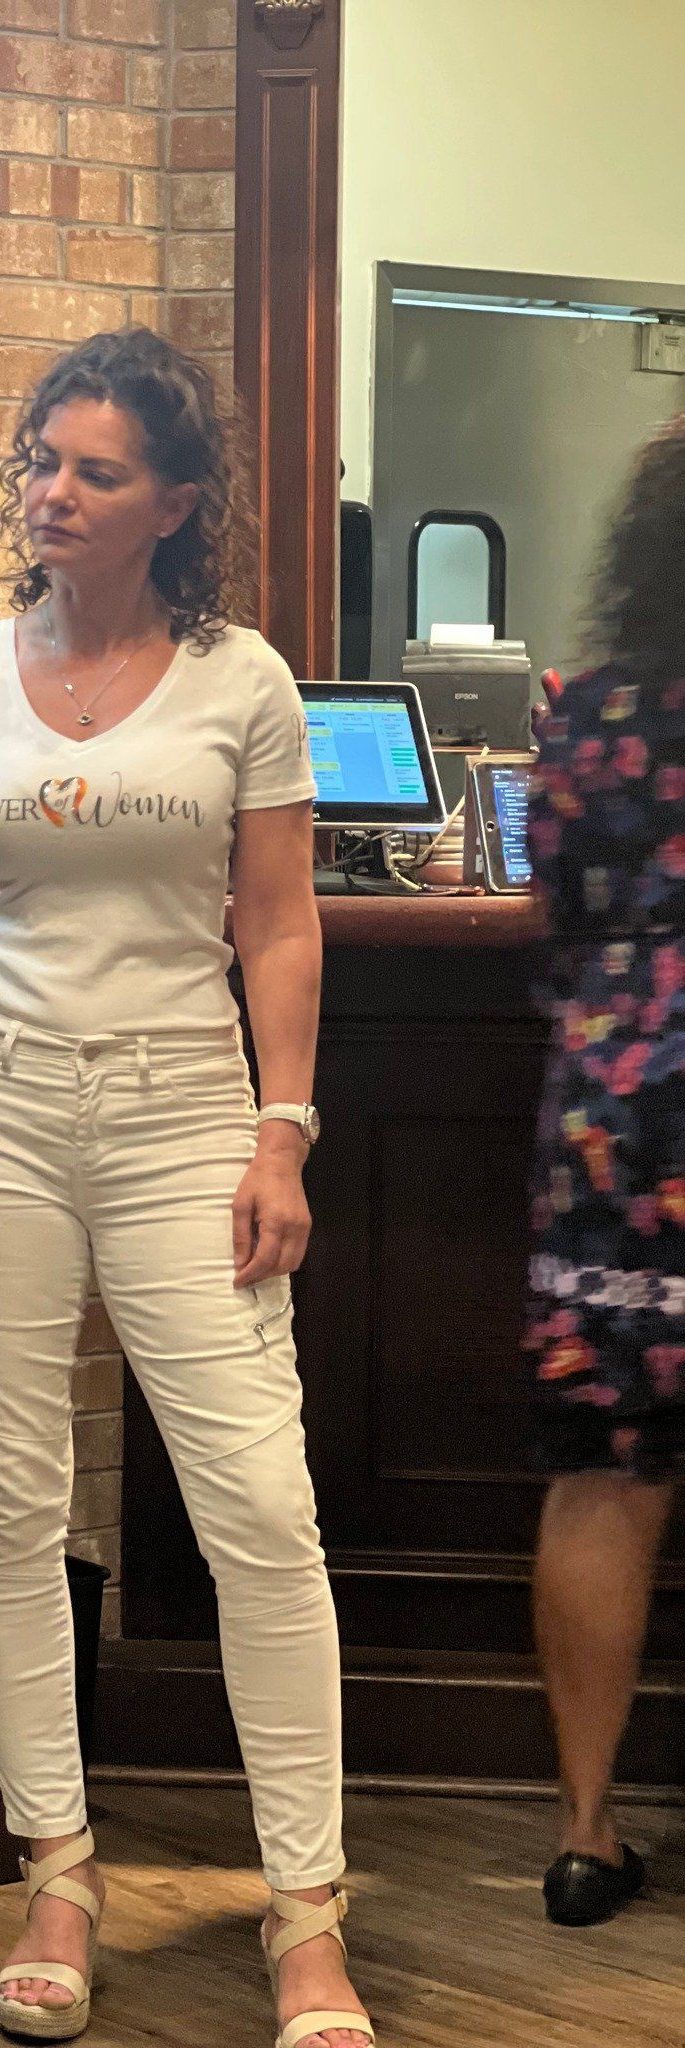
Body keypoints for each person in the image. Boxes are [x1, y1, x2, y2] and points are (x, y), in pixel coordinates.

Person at [0, 328, 372, 2048]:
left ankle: (308, 1918)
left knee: (260, 1511)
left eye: (94, 470)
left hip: (184, 1122)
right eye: (40, 461)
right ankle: (57, 1873)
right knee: (9, 1507)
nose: (50, 493)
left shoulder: (245, 681)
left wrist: (282, 1130)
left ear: (176, 503)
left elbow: (274, 920)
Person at [525, 418, 685, 1928]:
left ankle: (585, 1831)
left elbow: (557, 903)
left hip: (613, 1115)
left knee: (602, 1473)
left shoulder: (586, 715)